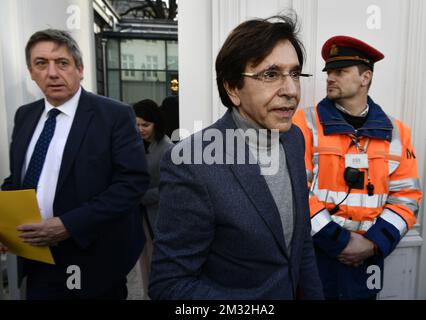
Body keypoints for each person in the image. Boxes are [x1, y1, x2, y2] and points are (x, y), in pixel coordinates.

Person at [149, 15, 323, 300]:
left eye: (294, 73)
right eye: (271, 74)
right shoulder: (192, 162)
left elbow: (301, 241)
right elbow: (169, 286)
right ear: (232, 88)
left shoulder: (294, 139)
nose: (291, 90)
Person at [0, 29, 149, 299]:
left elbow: (132, 184)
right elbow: (18, 180)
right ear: (31, 72)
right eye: (41, 64)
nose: (53, 73)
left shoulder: (114, 115)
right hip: (36, 257)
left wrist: (68, 225)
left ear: (80, 69)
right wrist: (5, 224)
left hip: (93, 257)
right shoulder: (25, 116)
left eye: (63, 63)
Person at [292, 35, 423, 299]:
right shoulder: (303, 123)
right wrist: (341, 242)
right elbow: (296, 191)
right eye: (329, 71)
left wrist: (373, 243)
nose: (330, 77)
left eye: (340, 71)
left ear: (365, 78)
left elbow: (406, 198)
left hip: (368, 260)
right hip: (316, 254)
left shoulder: (397, 132)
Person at [132, 99, 173, 296]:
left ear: (156, 123)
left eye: (145, 125)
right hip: (139, 217)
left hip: (157, 217)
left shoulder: (167, 148)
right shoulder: (135, 144)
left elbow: (169, 188)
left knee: (157, 263)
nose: (140, 129)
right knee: (144, 263)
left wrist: (138, 196)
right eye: (137, 124)